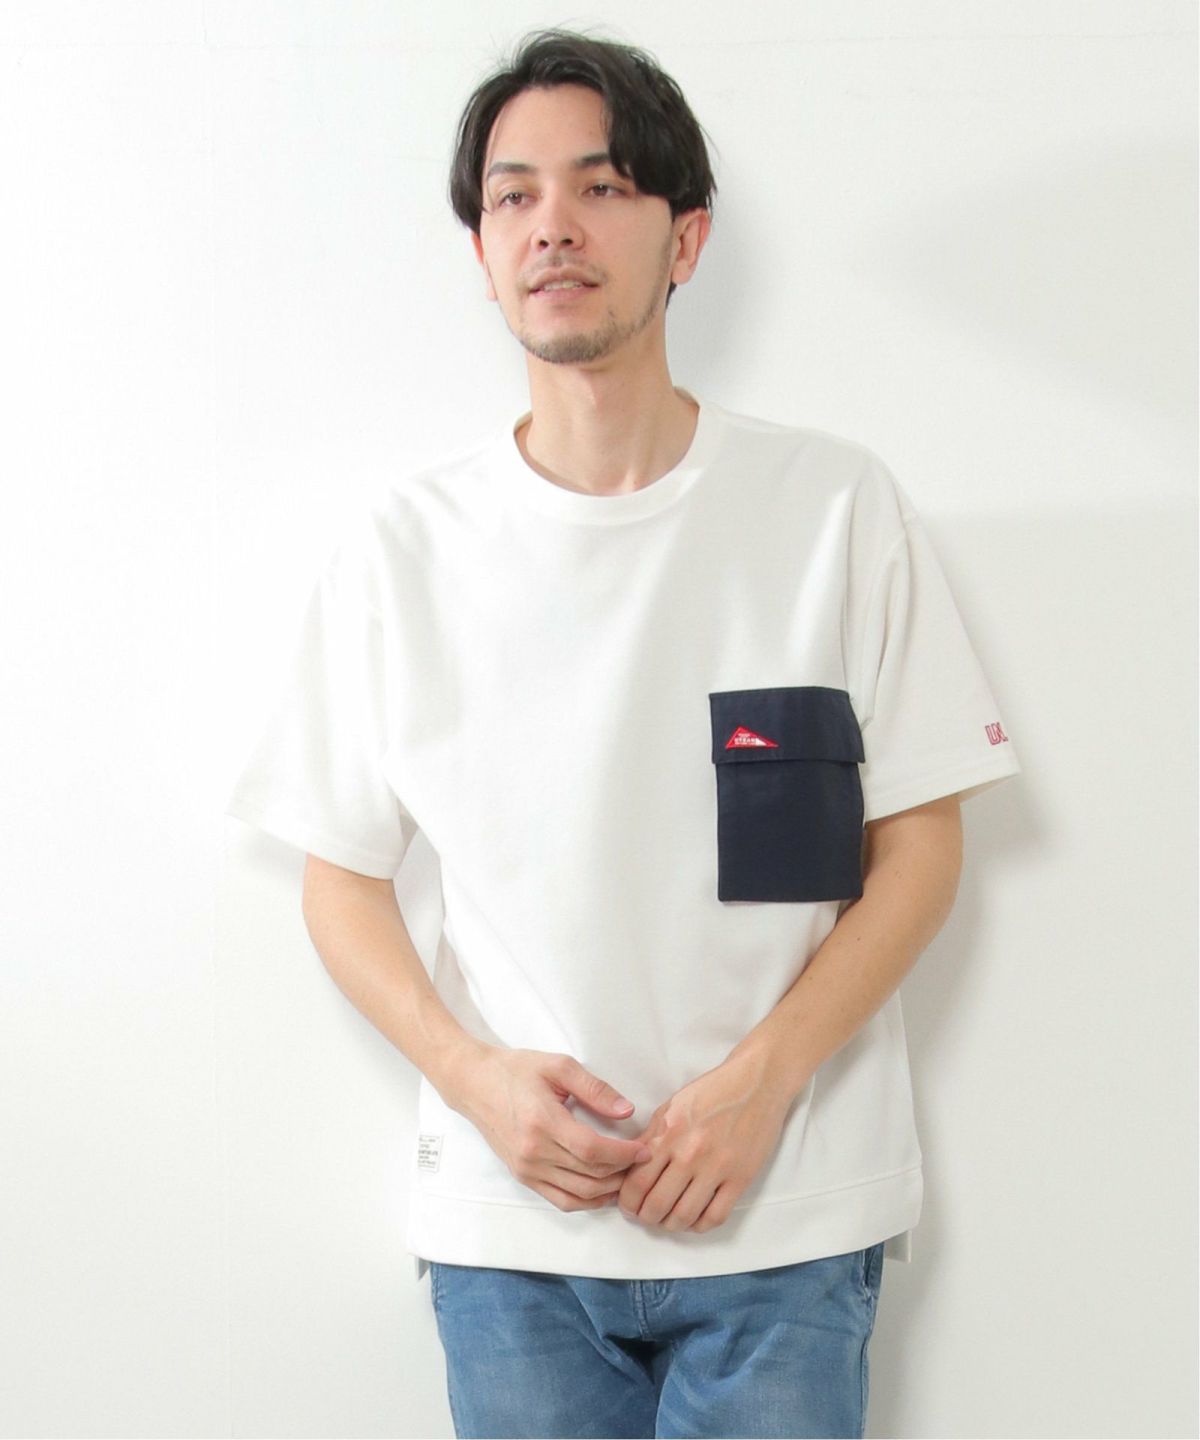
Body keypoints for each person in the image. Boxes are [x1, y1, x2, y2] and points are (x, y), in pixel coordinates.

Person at [225, 26, 1021, 1440]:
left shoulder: (832, 509)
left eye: (600, 187)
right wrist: (473, 1080)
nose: (554, 227)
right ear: (483, 253)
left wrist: (762, 1087)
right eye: (514, 195)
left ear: (685, 237)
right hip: (514, 1236)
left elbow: (920, 848)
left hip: (787, 1214)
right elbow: (340, 878)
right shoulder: (405, 549)